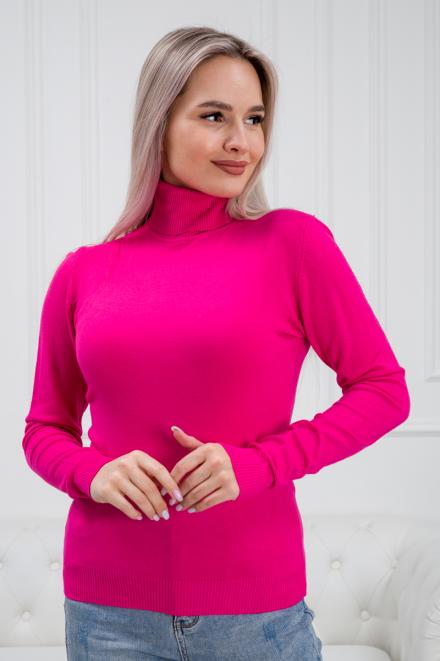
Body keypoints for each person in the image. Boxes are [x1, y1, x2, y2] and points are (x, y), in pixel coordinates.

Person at [22, 25, 410, 661]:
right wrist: (93, 472)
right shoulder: (83, 272)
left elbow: (384, 391)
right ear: (159, 124)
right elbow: (44, 430)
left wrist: (259, 464)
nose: (242, 142)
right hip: (106, 614)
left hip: (255, 616)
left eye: (254, 119)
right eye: (214, 116)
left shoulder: (293, 245)